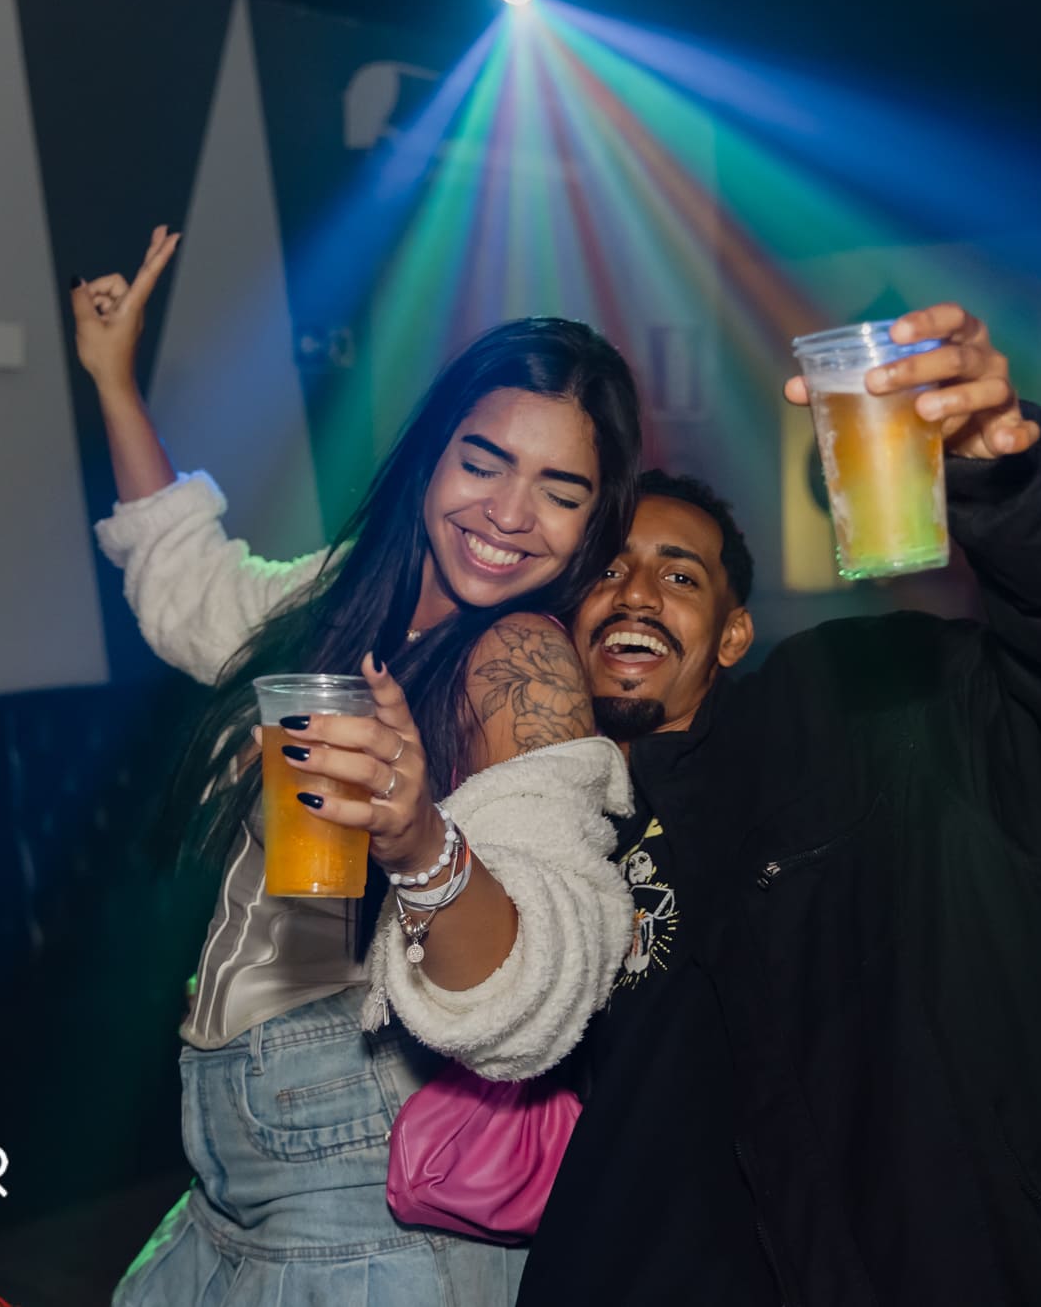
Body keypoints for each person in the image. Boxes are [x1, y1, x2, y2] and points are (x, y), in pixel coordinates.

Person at [521, 301, 1041, 1306]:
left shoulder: (859, 718)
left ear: (732, 637)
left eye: (679, 574)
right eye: (606, 571)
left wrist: (1008, 483)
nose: (637, 593)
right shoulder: (538, 812)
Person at [71, 228, 642, 1306]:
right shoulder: (338, 602)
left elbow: (551, 965)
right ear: (433, 453)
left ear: (593, 520)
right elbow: (189, 583)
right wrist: (113, 379)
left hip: (361, 1190)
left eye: (560, 490)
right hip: (230, 1176)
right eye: (483, 461)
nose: (507, 513)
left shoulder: (519, 660)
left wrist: (420, 842)